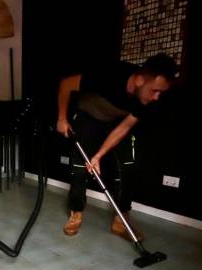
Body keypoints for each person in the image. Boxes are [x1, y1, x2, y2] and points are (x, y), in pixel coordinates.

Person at [57, 53, 176, 239]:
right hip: (88, 115)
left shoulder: (144, 101)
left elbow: (124, 128)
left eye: (161, 92)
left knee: (129, 166)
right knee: (80, 166)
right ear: (139, 80)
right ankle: (76, 213)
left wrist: (99, 156)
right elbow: (66, 85)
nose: (157, 97)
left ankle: (121, 220)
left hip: (115, 122)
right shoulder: (108, 74)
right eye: (155, 90)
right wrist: (62, 118)